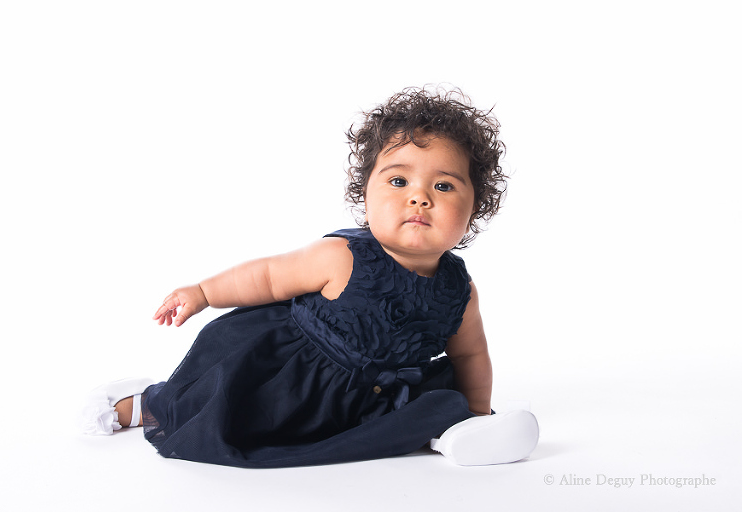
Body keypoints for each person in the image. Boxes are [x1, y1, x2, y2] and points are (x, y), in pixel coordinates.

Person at [80, 86, 539, 467]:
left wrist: (480, 410)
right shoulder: (341, 257)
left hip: (373, 399)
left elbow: (471, 354)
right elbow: (267, 277)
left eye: (443, 186)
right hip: (291, 380)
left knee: (445, 399)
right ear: (365, 194)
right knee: (223, 415)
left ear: (474, 206)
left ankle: (465, 432)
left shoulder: (460, 290)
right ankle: (141, 405)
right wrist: (202, 293)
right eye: (399, 182)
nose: (419, 199)